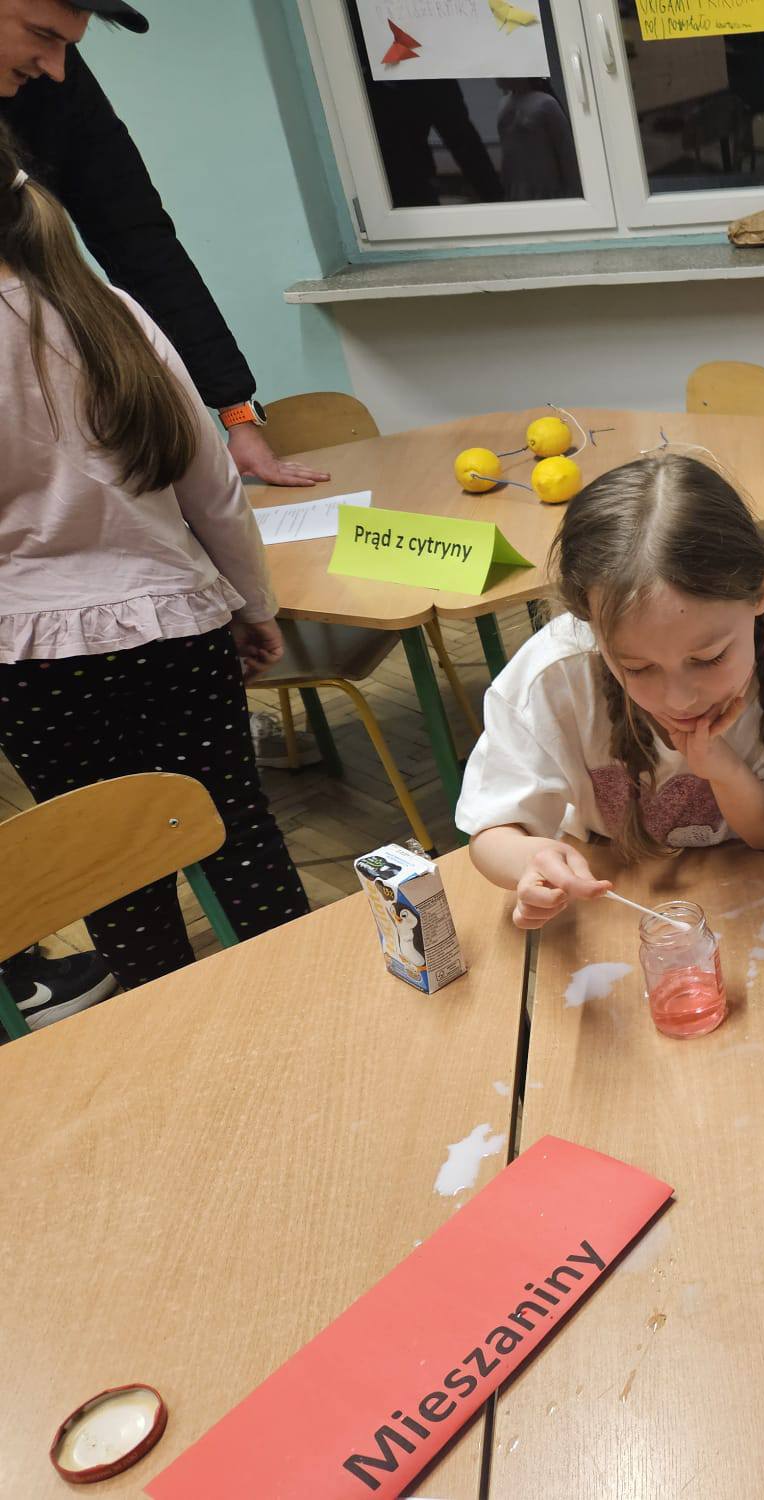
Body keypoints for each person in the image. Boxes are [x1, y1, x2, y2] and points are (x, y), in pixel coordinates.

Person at [0, 123, 311, 1021]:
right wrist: (254, 605)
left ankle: (166, 1030)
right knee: (236, 827)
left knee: (108, 865)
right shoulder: (111, 311)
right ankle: (304, 1004)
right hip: (175, 628)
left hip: (29, 658)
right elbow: (212, 486)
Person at [458, 453, 764, 931]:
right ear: (589, 625)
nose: (679, 699)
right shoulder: (552, 675)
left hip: (745, 896)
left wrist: (722, 767)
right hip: (607, 895)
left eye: (709, 658)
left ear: (761, 592)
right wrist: (528, 860)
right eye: (637, 667)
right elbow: (491, 832)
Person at [0, 0, 331, 487]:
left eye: (69, 45)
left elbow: (140, 243)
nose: (55, 67)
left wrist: (235, 411)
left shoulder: (56, 85)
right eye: (43, 34)